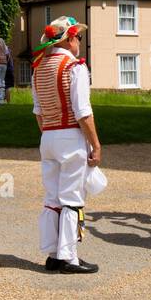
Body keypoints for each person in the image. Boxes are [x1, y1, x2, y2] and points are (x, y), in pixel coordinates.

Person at [32, 16, 100, 273]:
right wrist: (95, 144)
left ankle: (52, 253)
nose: (79, 43)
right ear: (70, 39)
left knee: (52, 197)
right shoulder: (75, 67)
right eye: (78, 38)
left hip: (47, 135)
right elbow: (83, 111)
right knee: (72, 196)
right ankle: (69, 256)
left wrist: (50, 134)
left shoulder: (39, 68)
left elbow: (38, 111)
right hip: (70, 135)